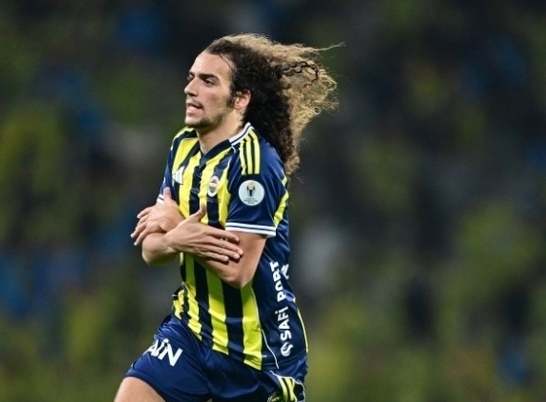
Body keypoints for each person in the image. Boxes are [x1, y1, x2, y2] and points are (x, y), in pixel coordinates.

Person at [114, 33, 339, 402]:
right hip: (191, 332)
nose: (191, 89)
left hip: (257, 354)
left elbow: (239, 271)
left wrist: (180, 230)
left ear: (240, 99)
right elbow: (151, 249)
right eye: (191, 78)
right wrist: (172, 238)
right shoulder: (182, 146)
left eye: (208, 81)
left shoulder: (255, 165)